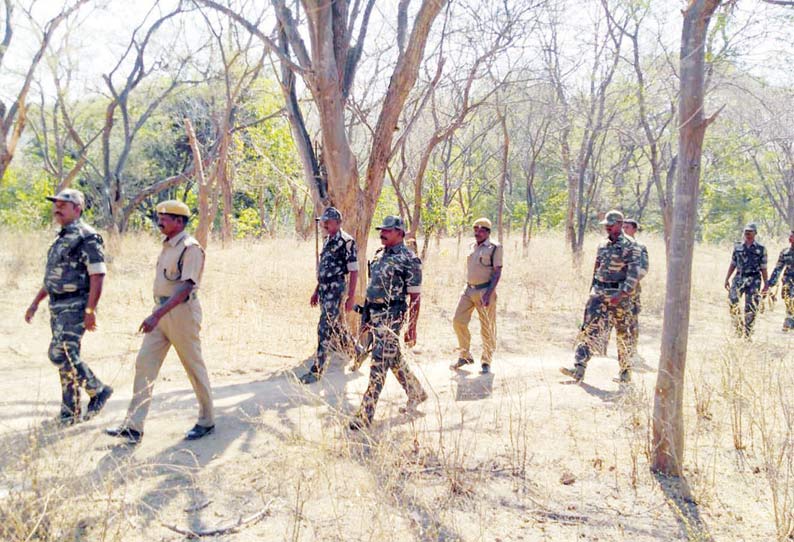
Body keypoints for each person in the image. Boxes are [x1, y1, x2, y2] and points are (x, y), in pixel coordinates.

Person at [105, 200, 214, 444]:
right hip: (161, 311)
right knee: (144, 365)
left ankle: (207, 420)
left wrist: (156, 314)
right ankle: (134, 426)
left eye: (165, 216)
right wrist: (157, 312)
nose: (160, 220)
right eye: (159, 215)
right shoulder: (167, 245)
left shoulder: (190, 247)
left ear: (179, 221)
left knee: (193, 366)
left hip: (182, 314)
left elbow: (186, 287)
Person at [25, 188, 113, 424]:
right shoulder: (62, 237)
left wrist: (90, 311)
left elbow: (98, 275)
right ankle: (69, 411)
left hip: (75, 305)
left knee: (60, 352)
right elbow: (53, 277)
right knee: (67, 358)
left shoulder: (87, 237)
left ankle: (98, 390)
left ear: (78, 208)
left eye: (63, 205)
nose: (57, 209)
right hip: (56, 306)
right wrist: (35, 303)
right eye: (56, 204)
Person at [349, 216, 427, 430]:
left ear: (400, 233)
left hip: (392, 315)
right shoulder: (378, 255)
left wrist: (412, 327)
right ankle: (416, 392)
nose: (382, 233)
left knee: (379, 362)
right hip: (374, 314)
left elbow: (415, 297)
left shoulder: (409, 259)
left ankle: (365, 414)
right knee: (392, 358)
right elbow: (371, 291)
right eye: (382, 229)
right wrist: (365, 319)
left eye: (388, 230)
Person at [560, 210, 641, 384]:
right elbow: (597, 268)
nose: (608, 228)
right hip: (599, 294)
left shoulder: (631, 246)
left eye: (611, 225)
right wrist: (592, 290)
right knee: (588, 329)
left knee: (622, 333)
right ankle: (579, 367)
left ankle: (625, 372)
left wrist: (621, 294)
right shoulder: (602, 244)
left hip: (619, 297)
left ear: (619, 224)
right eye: (606, 225)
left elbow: (635, 273)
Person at [300, 207, 358, 384]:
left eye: (328, 221)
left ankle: (317, 369)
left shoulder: (347, 241)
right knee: (335, 326)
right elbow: (324, 268)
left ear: (338, 223)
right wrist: (316, 290)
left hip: (336, 290)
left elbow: (354, 271)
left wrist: (351, 297)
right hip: (324, 290)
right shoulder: (327, 240)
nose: (324, 224)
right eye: (323, 221)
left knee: (324, 327)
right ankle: (358, 349)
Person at [451, 217, 503, 374]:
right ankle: (465, 355)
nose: (477, 232)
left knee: (487, 327)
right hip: (468, 290)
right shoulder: (471, 246)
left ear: (488, 232)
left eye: (481, 229)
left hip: (485, 291)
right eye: (475, 229)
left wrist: (489, 293)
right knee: (458, 321)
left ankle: (486, 360)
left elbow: (497, 271)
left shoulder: (495, 247)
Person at [724, 223, 768, 338]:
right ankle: (738, 327)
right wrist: (727, 278)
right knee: (733, 301)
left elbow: (763, 267)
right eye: (746, 231)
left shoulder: (761, 249)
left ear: (755, 233)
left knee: (751, 306)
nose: (748, 234)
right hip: (739, 277)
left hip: (754, 279)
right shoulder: (738, 247)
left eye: (750, 231)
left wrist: (766, 284)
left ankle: (748, 333)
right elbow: (733, 263)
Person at [621, 218, 648, 362]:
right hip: (615, 289)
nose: (624, 230)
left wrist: (629, 282)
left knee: (632, 319)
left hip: (632, 290)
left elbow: (643, 269)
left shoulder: (640, 247)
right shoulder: (618, 245)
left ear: (634, 230)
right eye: (622, 227)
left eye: (627, 227)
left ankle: (632, 349)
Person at [764, 229, 794, 332]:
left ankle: (789, 320)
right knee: (788, 299)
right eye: (790, 236)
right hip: (788, 280)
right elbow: (778, 268)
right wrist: (770, 283)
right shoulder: (785, 252)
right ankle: (789, 319)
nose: (791, 238)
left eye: (792, 236)